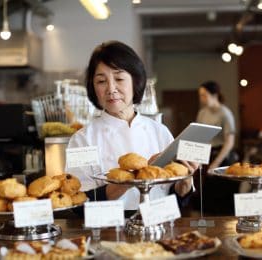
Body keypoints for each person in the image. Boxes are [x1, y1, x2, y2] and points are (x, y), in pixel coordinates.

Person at [66, 41, 195, 212]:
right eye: (101, 81)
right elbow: (79, 202)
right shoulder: (82, 139)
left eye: (119, 79)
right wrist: (135, 176)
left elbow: (175, 199)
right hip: (110, 230)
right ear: (93, 87)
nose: (111, 89)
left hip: (158, 225)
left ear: (136, 81)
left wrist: (185, 181)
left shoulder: (159, 131)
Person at [195, 80, 239, 215]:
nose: (202, 99)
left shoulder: (225, 113)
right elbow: (199, 137)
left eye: (204, 95)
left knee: (223, 199)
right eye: (200, 96)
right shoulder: (202, 113)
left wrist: (215, 164)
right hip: (206, 156)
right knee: (207, 199)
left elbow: (229, 142)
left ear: (214, 94)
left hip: (222, 157)